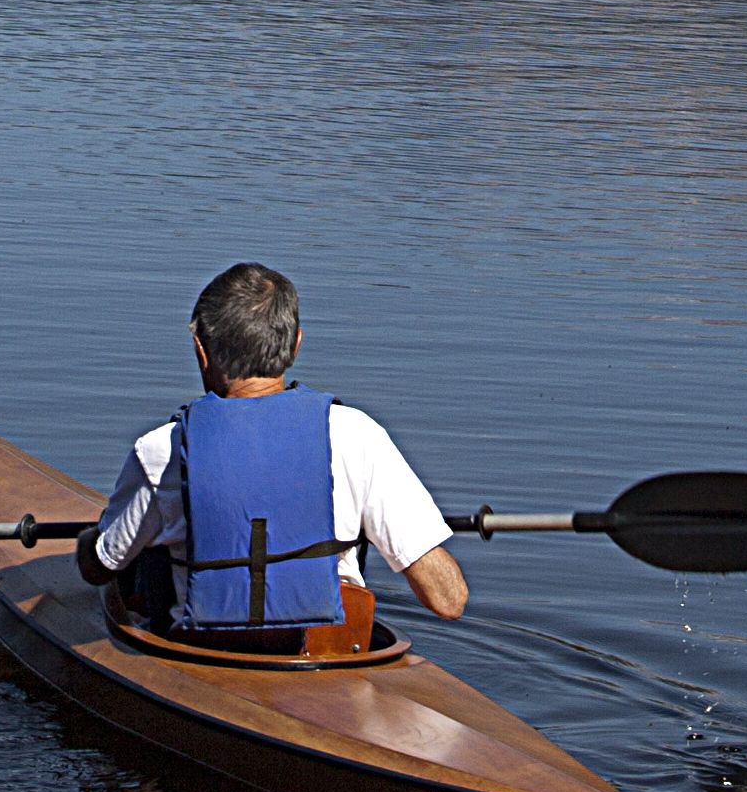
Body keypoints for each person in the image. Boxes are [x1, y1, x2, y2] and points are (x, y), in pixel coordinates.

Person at [79, 262, 470, 643]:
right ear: (296, 344)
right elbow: (449, 600)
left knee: (143, 565)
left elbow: (102, 565)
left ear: (201, 351)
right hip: (330, 653)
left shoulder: (161, 449)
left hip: (204, 653)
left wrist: (87, 544)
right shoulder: (358, 435)